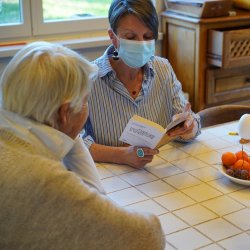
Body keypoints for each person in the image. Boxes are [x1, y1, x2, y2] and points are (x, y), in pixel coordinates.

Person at [0, 41, 165, 250]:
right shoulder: (45, 179)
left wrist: (68, 131)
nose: (86, 108)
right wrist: (69, 129)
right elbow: (148, 237)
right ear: (64, 112)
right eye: (85, 101)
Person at [83, 0, 201, 168]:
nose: (141, 44)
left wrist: (189, 127)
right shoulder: (88, 78)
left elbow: (188, 118)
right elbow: (74, 144)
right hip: (111, 179)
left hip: (159, 172)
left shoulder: (163, 69)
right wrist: (122, 156)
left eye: (147, 36)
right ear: (113, 38)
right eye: (131, 37)